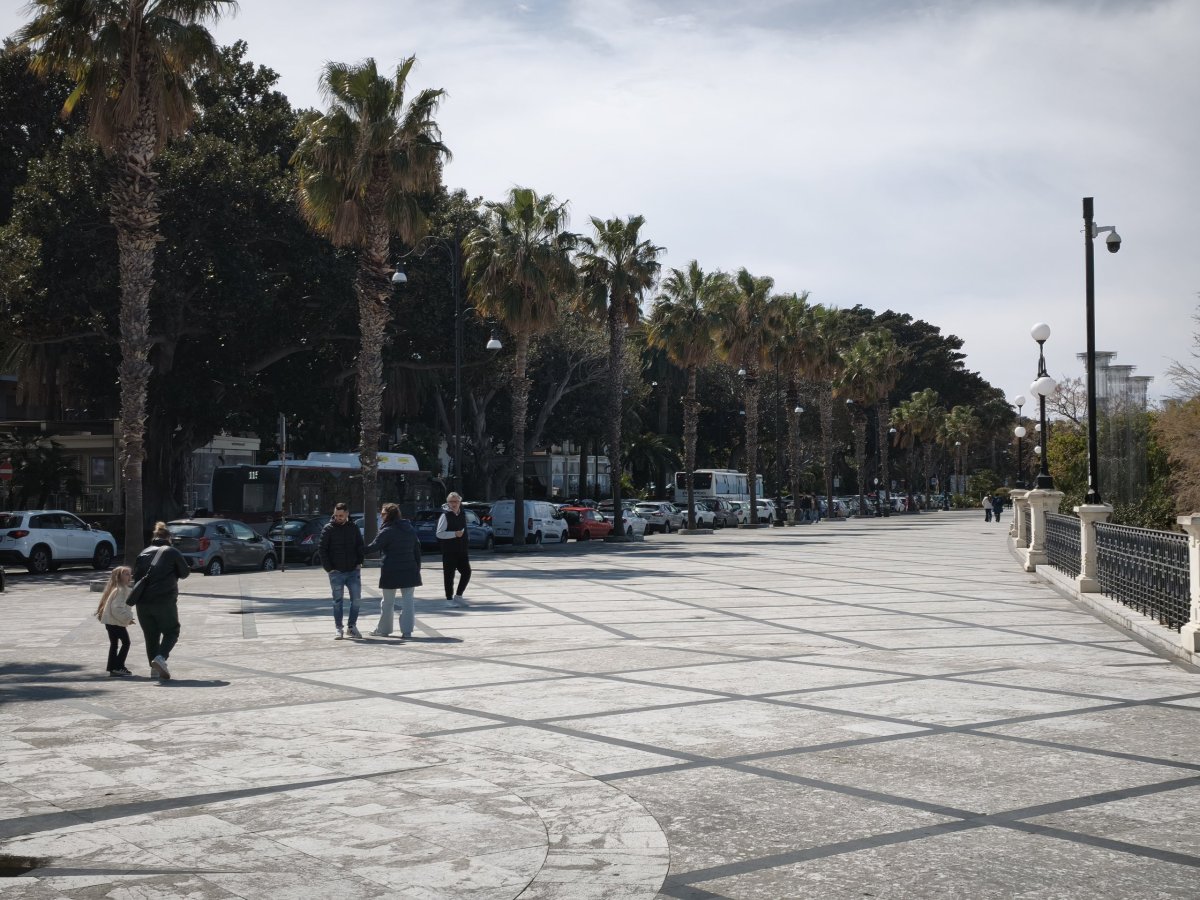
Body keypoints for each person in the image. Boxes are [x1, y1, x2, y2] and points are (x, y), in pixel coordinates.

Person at [132, 522, 190, 681]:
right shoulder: (172, 552)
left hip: (142, 602)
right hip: (164, 600)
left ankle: (154, 670)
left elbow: (136, 578)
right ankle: (160, 658)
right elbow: (185, 573)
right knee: (172, 631)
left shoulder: (143, 553)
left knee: (151, 635)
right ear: (168, 538)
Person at [365, 503, 422, 638]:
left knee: (387, 602)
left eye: (383, 513)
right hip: (409, 570)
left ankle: (384, 630)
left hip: (391, 570)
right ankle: (407, 632)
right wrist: (417, 568)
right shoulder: (409, 528)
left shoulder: (387, 530)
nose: (381, 515)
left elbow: (373, 547)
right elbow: (417, 549)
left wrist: (356, 549)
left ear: (389, 515)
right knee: (408, 602)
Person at [320, 502, 365, 639]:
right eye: (336, 515)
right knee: (337, 601)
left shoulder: (353, 527)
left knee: (356, 600)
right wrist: (329, 569)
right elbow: (322, 550)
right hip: (336, 572)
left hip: (353, 571)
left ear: (347, 514)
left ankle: (352, 627)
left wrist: (359, 563)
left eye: (341, 515)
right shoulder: (328, 529)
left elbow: (359, 545)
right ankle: (338, 628)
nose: (338, 517)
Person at [95, 566, 135, 676]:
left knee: (114, 644)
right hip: (115, 622)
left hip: (110, 622)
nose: (129, 576)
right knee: (126, 643)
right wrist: (128, 618)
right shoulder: (121, 590)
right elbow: (117, 608)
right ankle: (118, 666)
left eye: (130, 574)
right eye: (126, 574)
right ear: (119, 577)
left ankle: (112, 667)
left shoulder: (116, 588)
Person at [436, 492, 471, 608]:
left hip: (462, 550)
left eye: (456, 501)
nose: (454, 504)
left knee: (467, 572)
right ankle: (449, 599)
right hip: (449, 551)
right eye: (451, 502)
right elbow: (439, 534)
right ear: (448, 503)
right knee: (449, 575)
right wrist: (454, 534)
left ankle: (459, 596)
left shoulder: (462, 514)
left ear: (460, 502)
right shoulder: (445, 516)